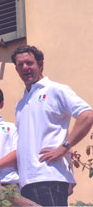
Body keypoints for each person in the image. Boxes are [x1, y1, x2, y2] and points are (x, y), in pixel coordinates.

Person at [12, 45, 93, 206]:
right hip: (26, 182)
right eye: (20, 65)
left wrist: (64, 147)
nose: (25, 68)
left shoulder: (56, 90)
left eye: (29, 63)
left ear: (40, 64)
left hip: (49, 177)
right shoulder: (20, 104)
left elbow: (87, 114)